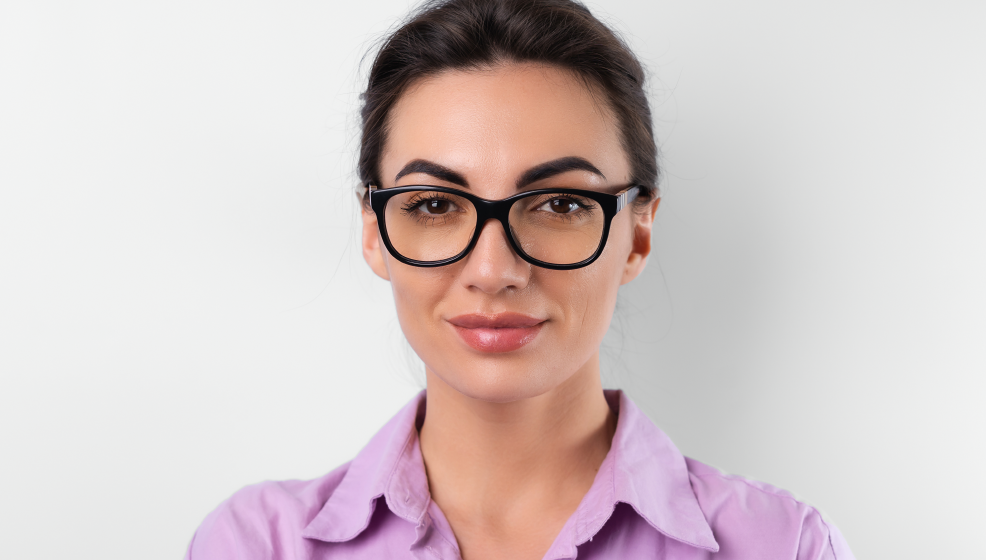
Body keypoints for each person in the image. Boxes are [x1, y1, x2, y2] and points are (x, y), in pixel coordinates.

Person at [185, 0, 855, 558]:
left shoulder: (781, 545)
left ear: (638, 234)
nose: (494, 270)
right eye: (435, 206)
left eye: (562, 204)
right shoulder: (256, 545)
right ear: (373, 232)